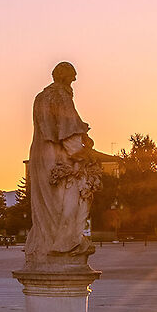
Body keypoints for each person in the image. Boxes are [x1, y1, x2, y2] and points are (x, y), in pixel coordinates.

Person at [25, 63, 110, 259]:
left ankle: (45, 246)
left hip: (39, 156)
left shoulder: (40, 97)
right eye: (73, 76)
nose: (75, 80)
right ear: (64, 77)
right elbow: (68, 134)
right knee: (69, 198)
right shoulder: (60, 96)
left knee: (45, 204)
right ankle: (65, 245)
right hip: (57, 157)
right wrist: (86, 154)